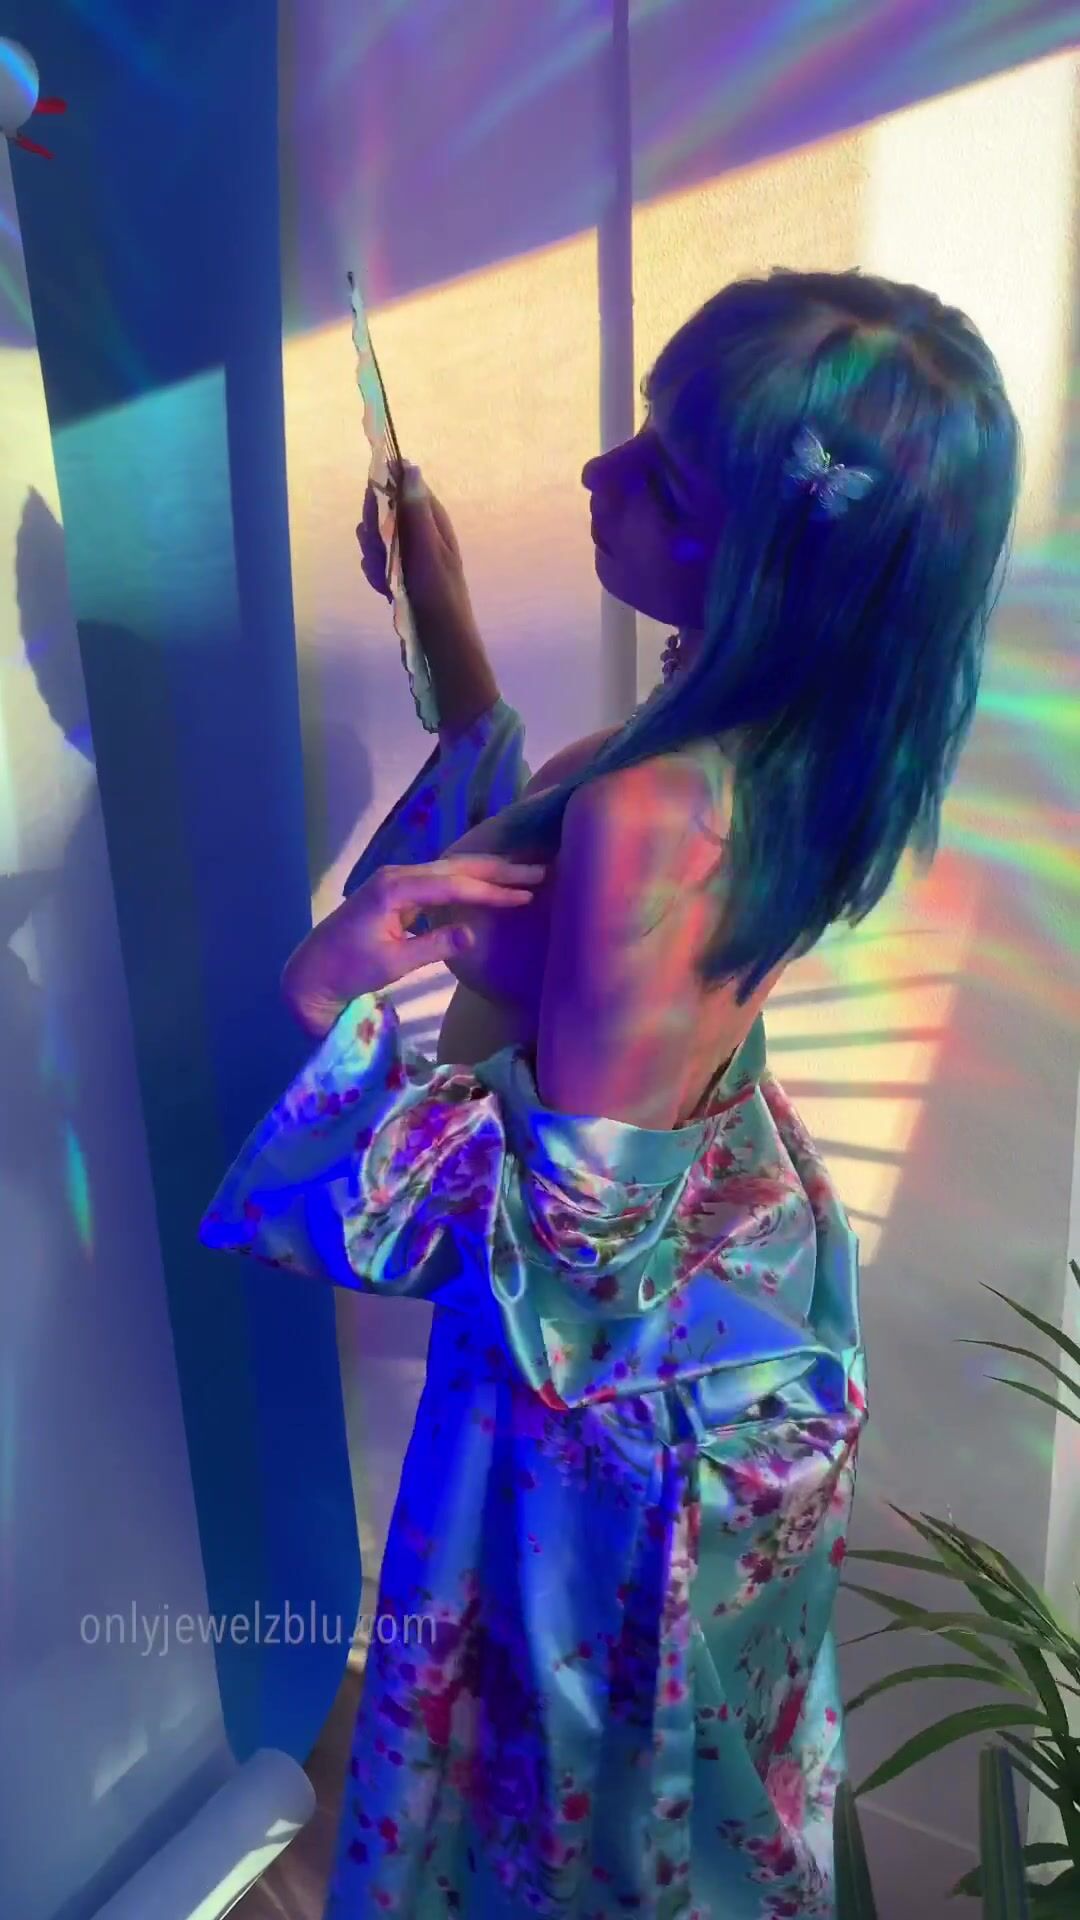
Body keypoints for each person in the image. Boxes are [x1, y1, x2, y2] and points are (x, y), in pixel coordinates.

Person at [201, 268, 1020, 1918]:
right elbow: (559, 863)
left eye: (664, 480)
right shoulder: (790, 737)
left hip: (620, 1400)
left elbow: (567, 1252)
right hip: (724, 1320)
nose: (597, 474)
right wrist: (445, 625)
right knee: (649, 1800)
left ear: (759, 562)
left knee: (569, 1810)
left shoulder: (666, 819)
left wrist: (324, 993)